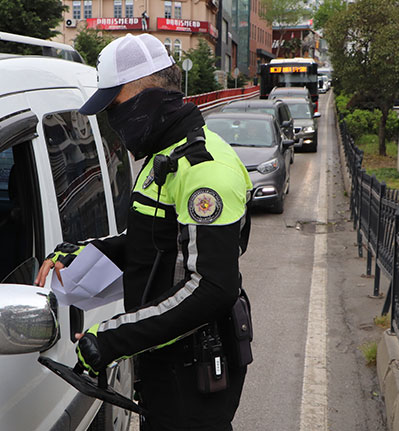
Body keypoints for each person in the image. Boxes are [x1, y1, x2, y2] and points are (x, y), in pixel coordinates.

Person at [36, 34, 253, 431]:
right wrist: (83, 251)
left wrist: (112, 338)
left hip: (195, 372)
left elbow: (213, 287)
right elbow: (153, 243)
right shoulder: (164, 155)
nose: (113, 120)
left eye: (115, 106)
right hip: (164, 360)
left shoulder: (204, 167)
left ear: (145, 93)